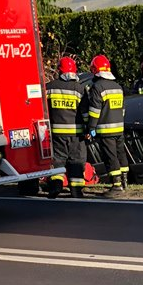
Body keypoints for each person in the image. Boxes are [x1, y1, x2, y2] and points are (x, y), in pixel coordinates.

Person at [46, 56, 88, 198]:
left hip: (57, 133)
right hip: (76, 134)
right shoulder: (80, 89)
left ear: (59, 70)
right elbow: (86, 113)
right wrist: (88, 129)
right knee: (76, 161)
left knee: (58, 160)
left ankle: (55, 186)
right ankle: (76, 191)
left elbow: (43, 109)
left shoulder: (49, 87)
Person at [87, 55, 128, 192]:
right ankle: (124, 181)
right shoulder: (118, 87)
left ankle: (116, 185)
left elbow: (94, 111)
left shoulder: (97, 87)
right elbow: (122, 109)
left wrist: (91, 127)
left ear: (95, 70)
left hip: (106, 130)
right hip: (119, 128)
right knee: (120, 154)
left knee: (111, 157)